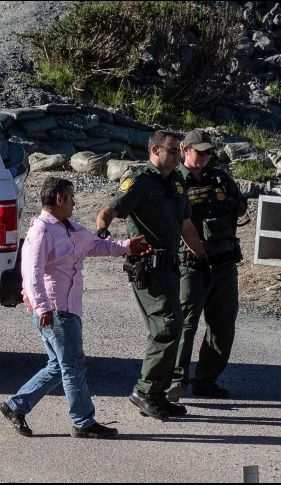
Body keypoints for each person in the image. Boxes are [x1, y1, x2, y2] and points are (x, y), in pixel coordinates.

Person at [0, 176, 150, 439]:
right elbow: (31, 273)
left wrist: (127, 247)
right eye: (71, 197)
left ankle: (16, 406)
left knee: (60, 365)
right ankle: (83, 421)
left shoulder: (68, 228)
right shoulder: (42, 231)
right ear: (59, 199)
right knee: (73, 366)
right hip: (55, 311)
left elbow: (95, 245)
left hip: (66, 309)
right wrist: (43, 307)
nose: (74, 203)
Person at [95, 130, 208, 422]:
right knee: (167, 327)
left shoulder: (177, 182)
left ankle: (156, 394)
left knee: (173, 327)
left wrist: (202, 257)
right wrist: (102, 231)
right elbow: (110, 210)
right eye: (171, 151)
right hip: (148, 267)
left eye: (178, 151)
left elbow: (186, 226)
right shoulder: (140, 180)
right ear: (155, 151)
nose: (176, 156)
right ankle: (144, 391)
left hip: (171, 266)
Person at [166, 129, 247, 402]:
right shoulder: (174, 180)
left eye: (208, 153)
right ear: (185, 150)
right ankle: (176, 379)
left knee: (222, 325)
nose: (203, 157)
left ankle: (206, 380)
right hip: (191, 265)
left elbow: (240, 207)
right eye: (198, 152)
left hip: (224, 263)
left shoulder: (221, 179)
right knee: (185, 323)